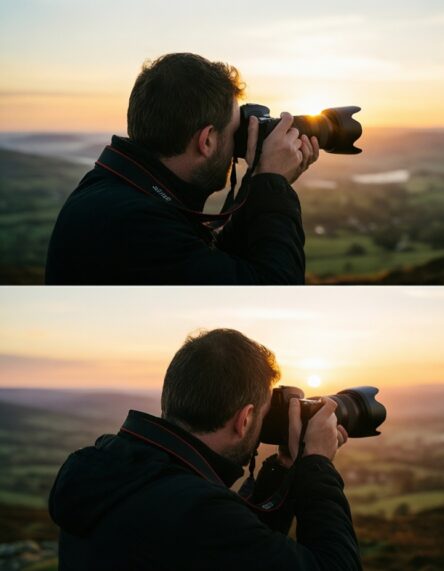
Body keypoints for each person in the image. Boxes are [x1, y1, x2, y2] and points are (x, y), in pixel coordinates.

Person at [49, 329, 360, 570]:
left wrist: (283, 468)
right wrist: (317, 462)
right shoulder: (194, 513)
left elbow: (239, 550)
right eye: (264, 415)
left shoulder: (110, 468)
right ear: (245, 418)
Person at [45, 53, 319, 285]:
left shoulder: (117, 193)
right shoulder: (134, 224)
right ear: (207, 140)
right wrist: (273, 183)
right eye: (234, 133)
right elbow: (274, 285)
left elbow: (217, 264)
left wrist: (262, 180)